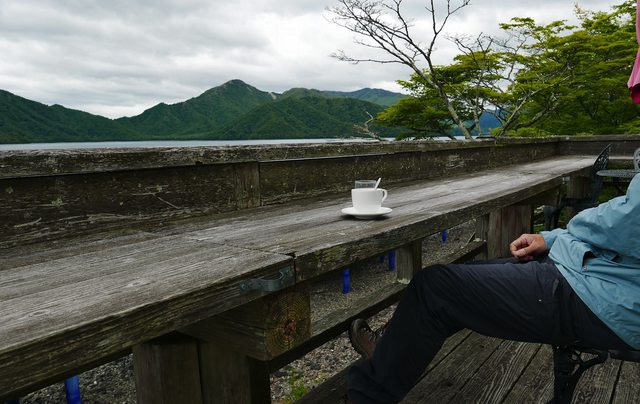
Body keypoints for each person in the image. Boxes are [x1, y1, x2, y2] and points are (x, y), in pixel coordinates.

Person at [347, 174, 640, 403]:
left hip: (609, 297)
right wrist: (551, 239)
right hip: (607, 273)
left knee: (434, 287)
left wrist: (569, 229)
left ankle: (366, 396)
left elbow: (630, 219)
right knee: (459, 279)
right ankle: (390, 349)